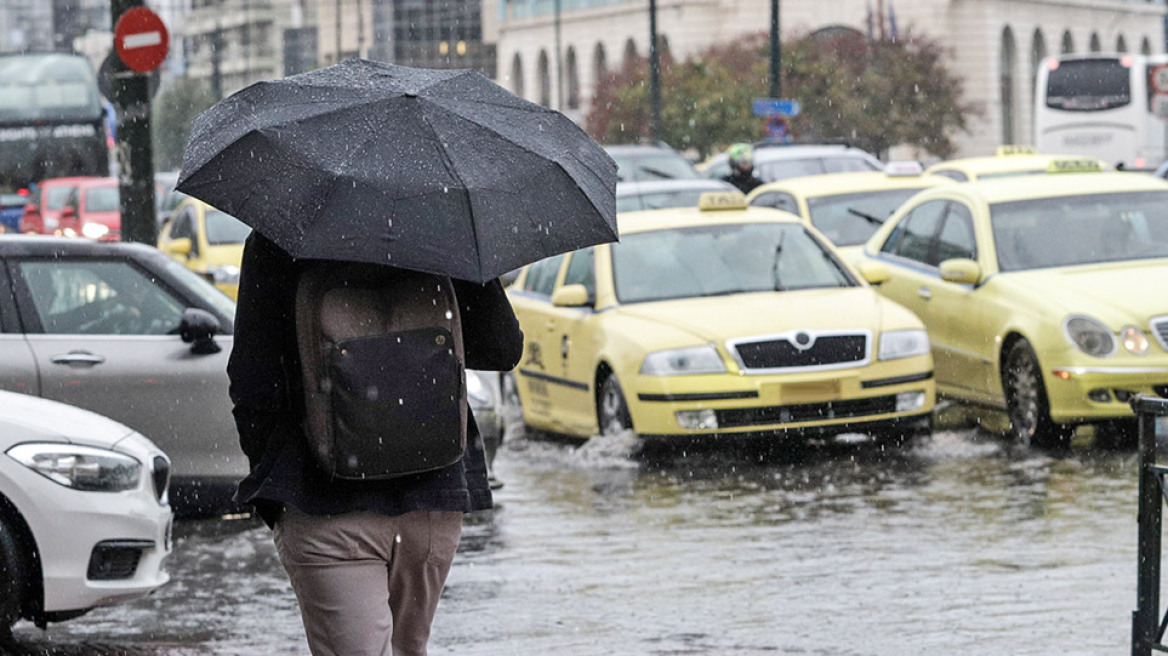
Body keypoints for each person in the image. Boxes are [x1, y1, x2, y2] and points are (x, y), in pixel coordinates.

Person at [228, 232, 524, 656]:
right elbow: (502, 348)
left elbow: (251, 380)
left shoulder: (281, 235)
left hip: (321, 499)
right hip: (432, 493)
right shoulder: (442, 224)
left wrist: (275, 477)